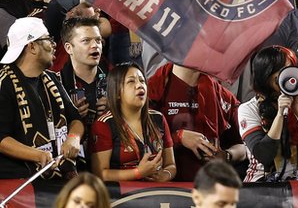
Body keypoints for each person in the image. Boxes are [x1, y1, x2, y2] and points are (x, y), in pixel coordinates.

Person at [0, 17, 84, 179]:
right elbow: (1, 138)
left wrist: (73, 138)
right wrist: (36, 155)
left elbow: (75, 118)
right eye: (48, 39)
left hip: (60, 177)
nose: (54, 45)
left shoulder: (51, 79)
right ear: (32, 47)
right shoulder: (4, 84)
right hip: (24, 183)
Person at [238, 46, 298, 181]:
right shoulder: (248, 109)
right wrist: (280, 114)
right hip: (262, 186)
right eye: (279, 70)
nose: (286, 75)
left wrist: (297, 110)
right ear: (265, 74)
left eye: (289, 69)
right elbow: (264, 155)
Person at [147, 63, 245, 181]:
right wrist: (178, 137)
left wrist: (227, 155)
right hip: (167, 189)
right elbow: (138, 141)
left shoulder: (223, 97)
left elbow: (242, 146)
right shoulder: (153, 90)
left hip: (208, 187)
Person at [90, 63, 175, 182]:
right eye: (131, 82)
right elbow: (100, 174)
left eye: (142, 81)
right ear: (117, 92)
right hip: (121, 197)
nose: (139, 85)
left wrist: (166, 175)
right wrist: (138, 173)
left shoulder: (159, 118)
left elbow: (171, 165)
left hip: (156, 193)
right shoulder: (104, 124)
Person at [58, 17, 107, 131]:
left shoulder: (115, 81)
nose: (95, 45)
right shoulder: (56, 84)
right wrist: (70, 116)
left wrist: (115, 108)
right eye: (86, 41)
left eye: (98, 40)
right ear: (68, 48)